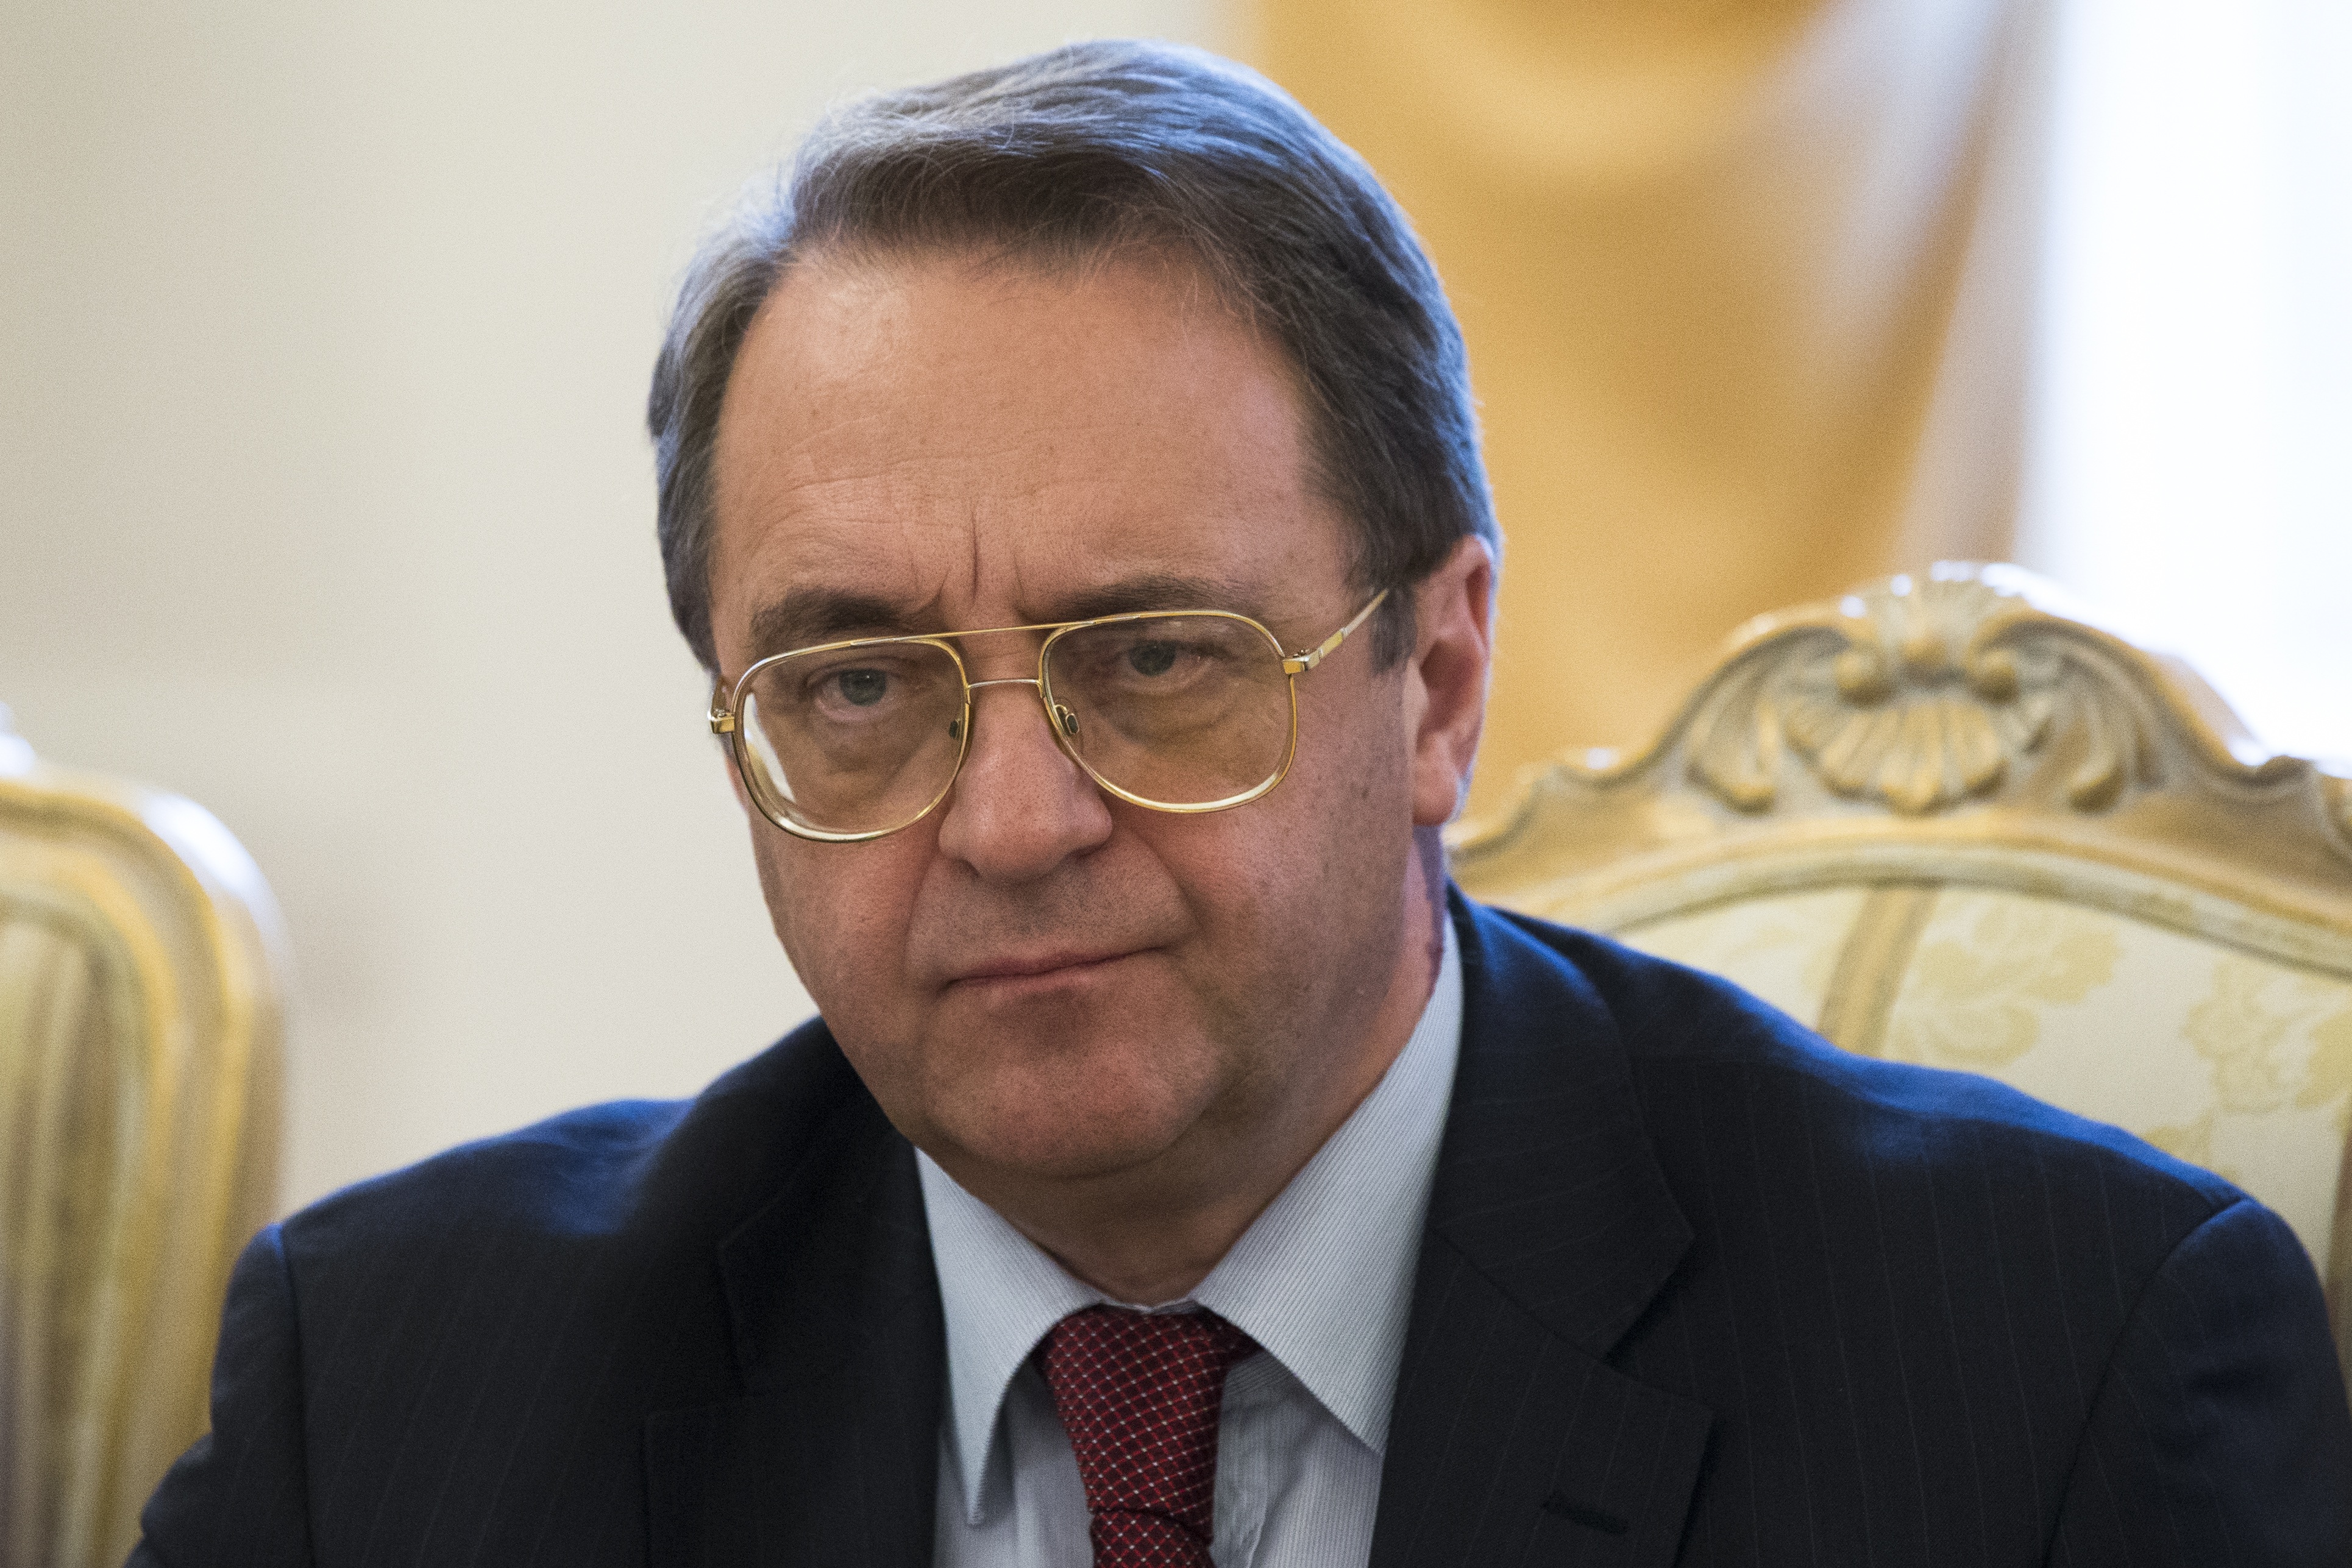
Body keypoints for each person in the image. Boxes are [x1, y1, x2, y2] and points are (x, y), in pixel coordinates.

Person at [132, 40, 2350, 1568]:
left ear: (1438, 684)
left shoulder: (2049, 1380)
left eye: (1154, 658)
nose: (1011, 823)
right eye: (858, 688)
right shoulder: (402, 1390)